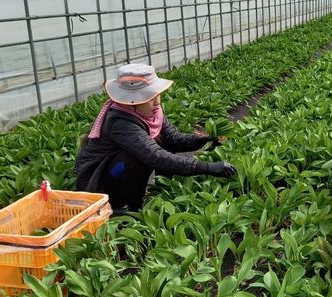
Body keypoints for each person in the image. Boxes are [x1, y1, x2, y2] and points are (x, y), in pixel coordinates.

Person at [75, 63, 236, 211]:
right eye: (150, 97)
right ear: (132, 101)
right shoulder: (120, 122)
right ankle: (127, 207)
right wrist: (207, 168)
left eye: (157, 95)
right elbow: (156, 157)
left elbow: (174, 139)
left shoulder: (151, 113)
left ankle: (155, 189)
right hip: (103, 181)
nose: (157, 101)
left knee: (159, 143)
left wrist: (205, 141)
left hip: (118, 173)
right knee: (137, 158)